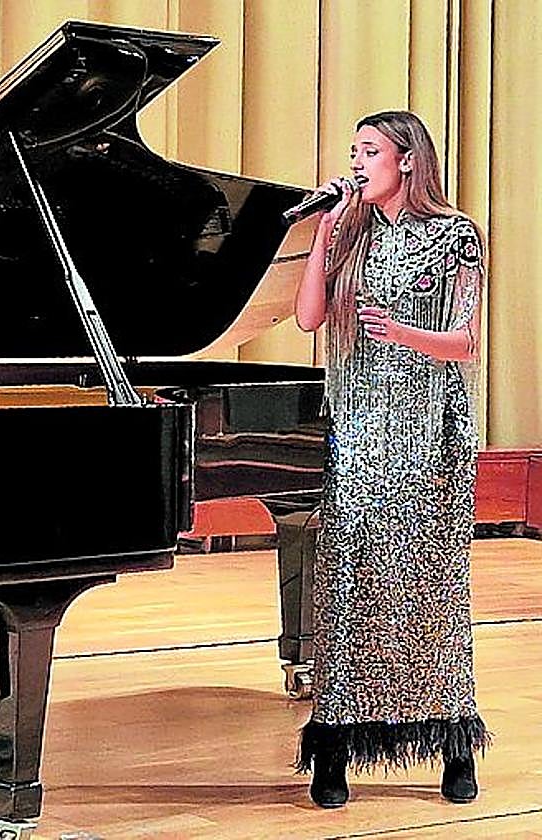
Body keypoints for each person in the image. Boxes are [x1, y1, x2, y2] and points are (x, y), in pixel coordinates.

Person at [291, 111, 490, 808]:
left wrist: (403, 332)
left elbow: (466, 342)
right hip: (359, 437)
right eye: (353, 152)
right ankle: (335, 750)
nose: (356, 163)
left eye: (369, 151)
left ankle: (454, 742)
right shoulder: (352, 234)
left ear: (408, 160)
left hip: (429, 436)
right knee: (349, 594)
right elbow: (310, 318)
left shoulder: (455, 234)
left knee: (430, 592)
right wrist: (324, 233)